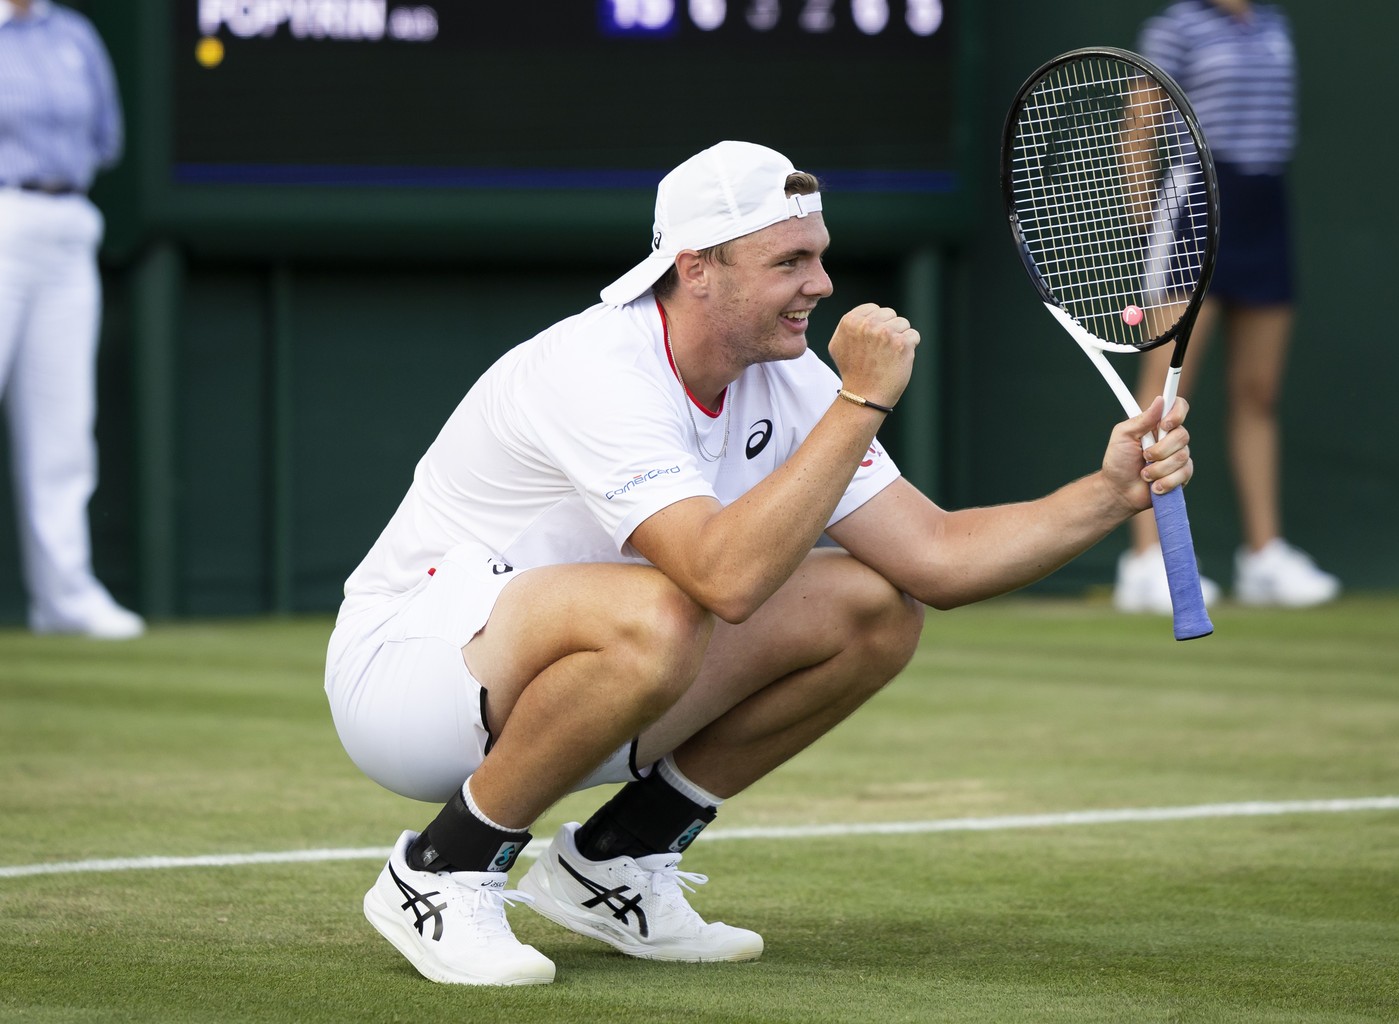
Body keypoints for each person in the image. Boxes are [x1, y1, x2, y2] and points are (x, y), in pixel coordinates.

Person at [324, 140, 1198, 986]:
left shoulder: (788, 376)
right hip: (411, 679)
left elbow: (935, 558)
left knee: (874, 607)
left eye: (819, 257)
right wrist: (860, 401)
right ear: (698, 267)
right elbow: (724, 580)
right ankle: (440, 872)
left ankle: (616, 862)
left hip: (578, 673)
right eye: (789, 261)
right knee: (664, 613)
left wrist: (1107, 493)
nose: (819, 284)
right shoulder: (594, 366)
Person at [1113, 0, 1339, 613]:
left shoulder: (1273, 22)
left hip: (1266, 205)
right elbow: (1142, 123)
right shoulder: (1177, 26)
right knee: (1161, 398)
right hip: (1193, 203)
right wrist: (1144, 222)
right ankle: (1144, 561)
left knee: (1259, 392)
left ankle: (1264, 556)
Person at [0, 0, 142, 638]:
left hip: (68, 229)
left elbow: (107, 136)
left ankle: (63, 597)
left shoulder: (74, 34)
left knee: (63, 426)